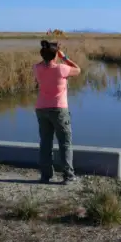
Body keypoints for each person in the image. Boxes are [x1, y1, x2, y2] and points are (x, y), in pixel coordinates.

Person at [33, 40, 81, 184]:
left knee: (45, 143)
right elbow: (78, 69)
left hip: (41, 108)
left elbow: (44, 64)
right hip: (59, 109)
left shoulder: (36, 68)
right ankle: (68, 176)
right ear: (56, 55)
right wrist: (64, 57)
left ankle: (45, 175)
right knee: (65, 143)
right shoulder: (62, 68)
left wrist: (52, 54)